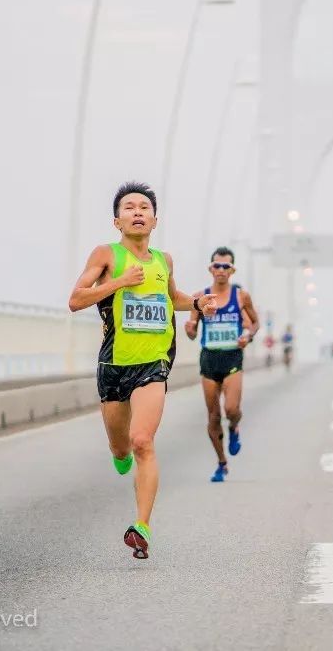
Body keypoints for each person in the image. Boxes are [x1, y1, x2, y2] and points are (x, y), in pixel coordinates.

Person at [67, 181, 217, 559]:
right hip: (113, 365)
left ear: (155, 219)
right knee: (121, 449)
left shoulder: (164, 261)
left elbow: (174, 299)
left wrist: (199, 304)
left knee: (142, 442)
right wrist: (119, 281)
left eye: (144, 207)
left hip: (153, 363)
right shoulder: (106, 254)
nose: (137, 212)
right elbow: (75, 300)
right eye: (129, 207)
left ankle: (142, 527)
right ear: (117, 221)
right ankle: (118, 455)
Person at [185, 247, 260, 482]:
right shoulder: (201, 296)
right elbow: (192, 329)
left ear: (232, 270)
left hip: (232, 358)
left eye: (226, 267)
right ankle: (221, 463)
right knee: (213, 416)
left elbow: (255, 323)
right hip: (209, 359)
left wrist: (248, 337)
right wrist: (189, 330)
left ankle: (234, 427)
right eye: (217, 266)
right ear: (210, 268)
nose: (221, 270)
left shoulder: (241, 297)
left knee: (231, 409)